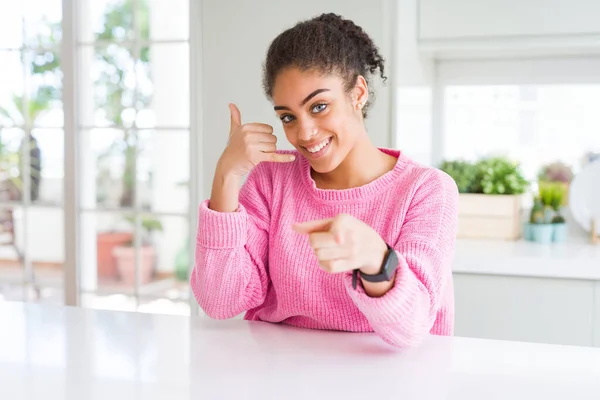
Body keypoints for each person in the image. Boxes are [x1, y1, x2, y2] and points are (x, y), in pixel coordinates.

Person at [191, 13, 459, 348]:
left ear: (357, 93)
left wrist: (376, 259)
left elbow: (413, 326)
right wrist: (226, 176)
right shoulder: (271, 180)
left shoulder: (426, 189)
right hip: (277, 374)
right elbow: (219, 302)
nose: (303, 133)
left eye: (319, 107)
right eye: (288, 117)